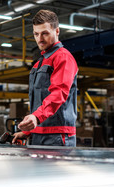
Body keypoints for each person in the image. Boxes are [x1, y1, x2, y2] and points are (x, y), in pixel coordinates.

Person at [12, 9, 78, 147]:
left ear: (57, 31)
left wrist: (36, 117)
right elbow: (40, 101)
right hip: (38, 134)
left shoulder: (63, 57)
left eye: (45, 33)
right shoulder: (39, 62)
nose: (40, 39)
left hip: (57, 136)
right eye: (36, 34)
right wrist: (28, 131)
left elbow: (59, 92)